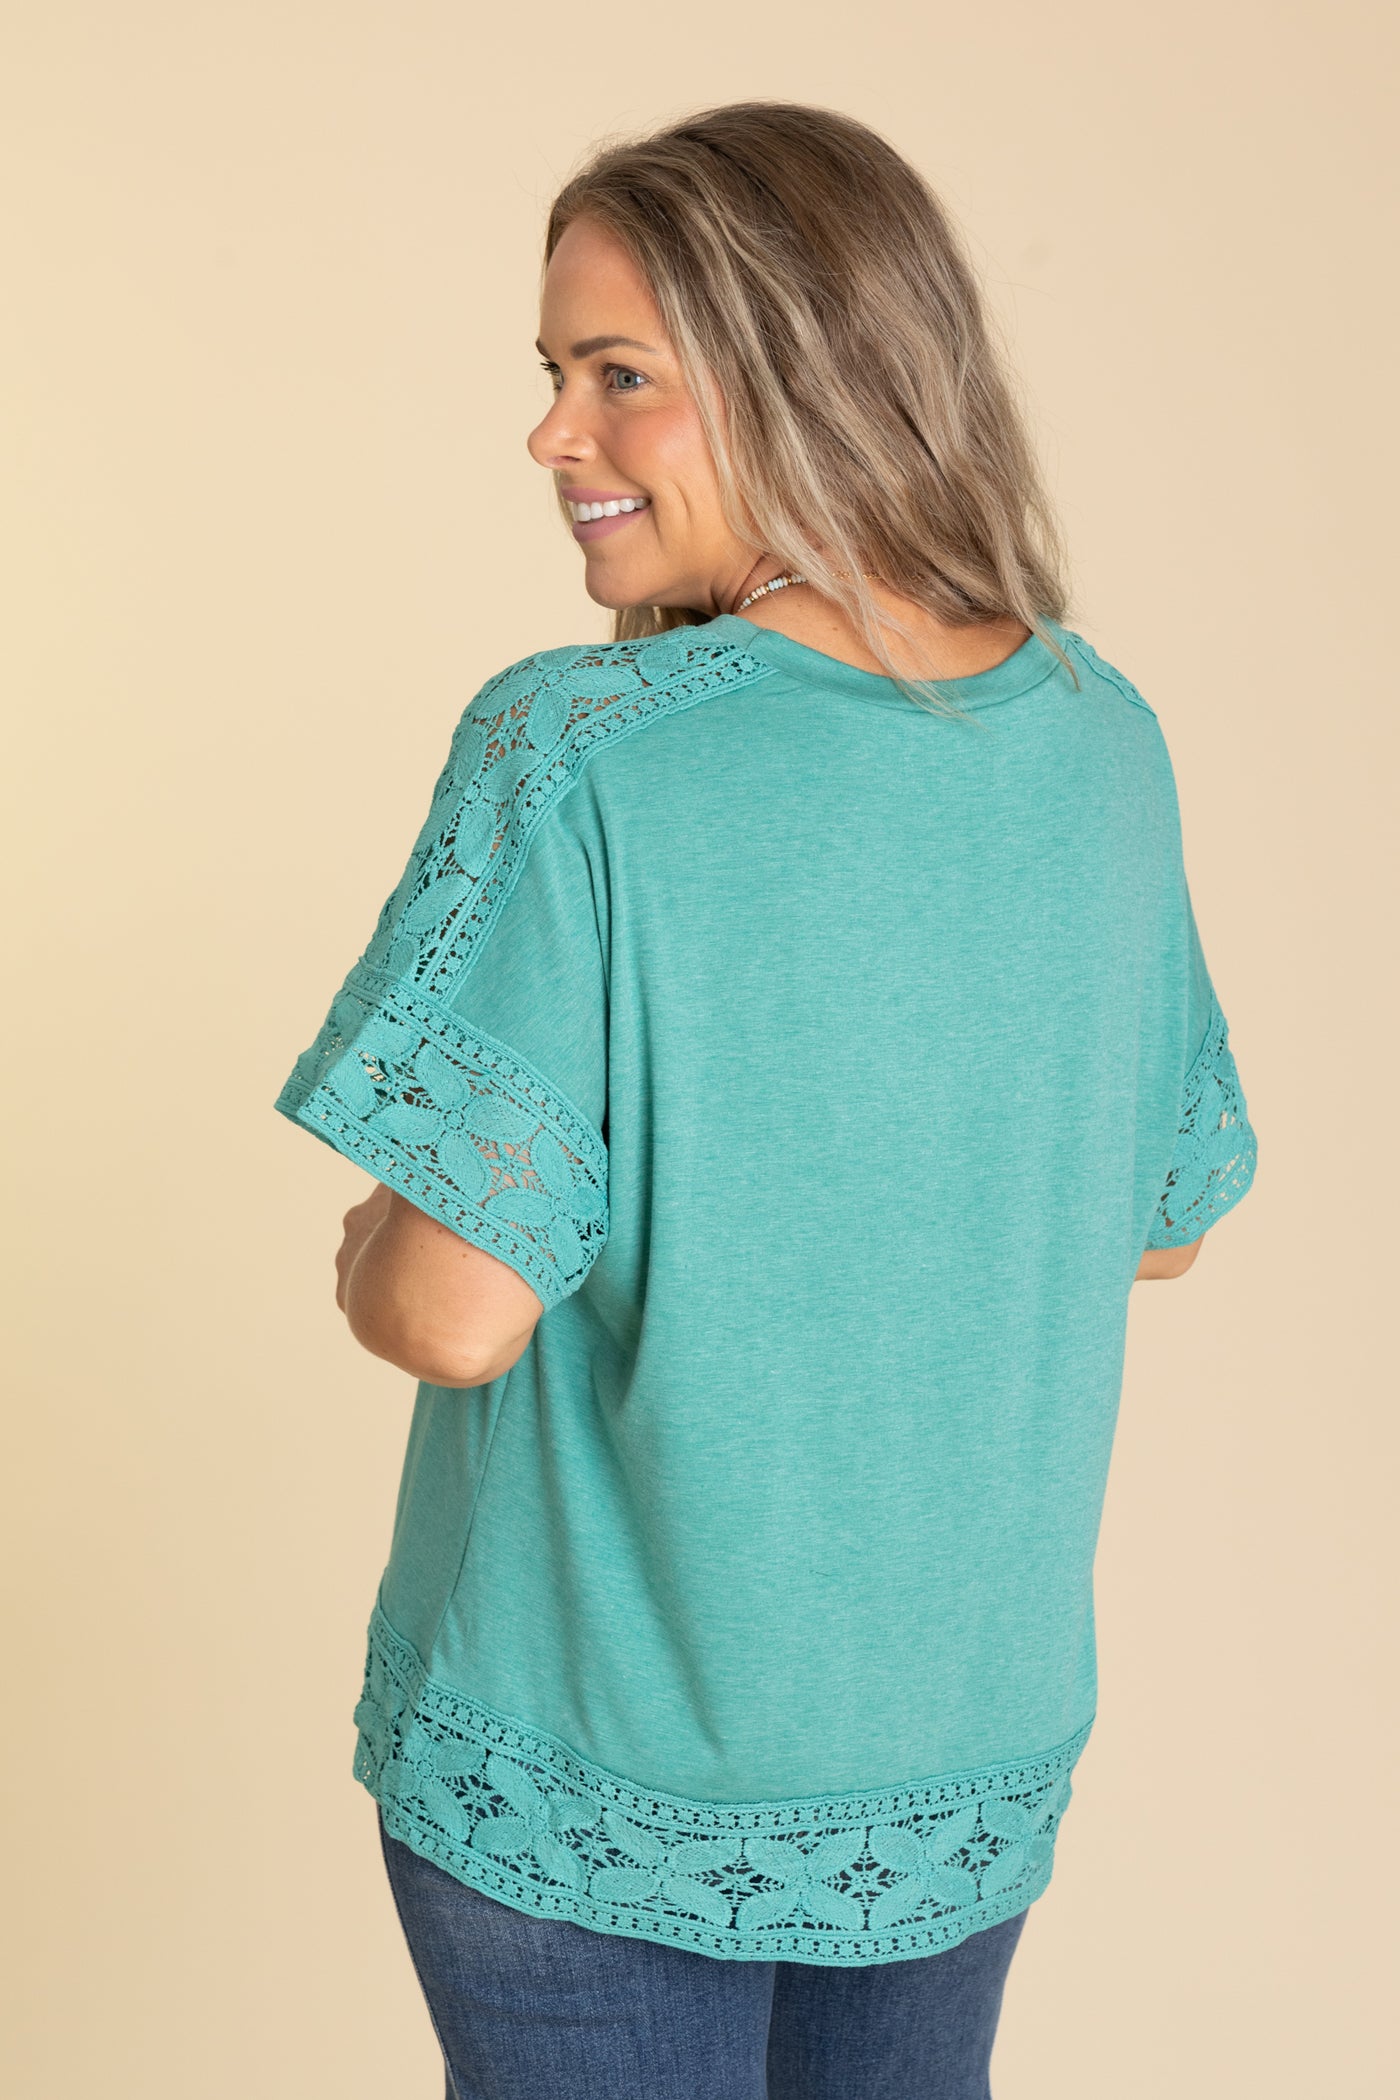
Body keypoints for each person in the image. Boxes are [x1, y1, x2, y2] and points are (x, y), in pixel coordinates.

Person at [274, 100, 1259, 2100]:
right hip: (951, 1765)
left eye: (617, 376)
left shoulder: (582, 748)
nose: (553, 434)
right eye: (556, 374)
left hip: (594, 1761)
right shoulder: (1099, 737)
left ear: (805, 369)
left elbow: (453, 1311)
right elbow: (1154, 1216)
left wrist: (380, 1237)